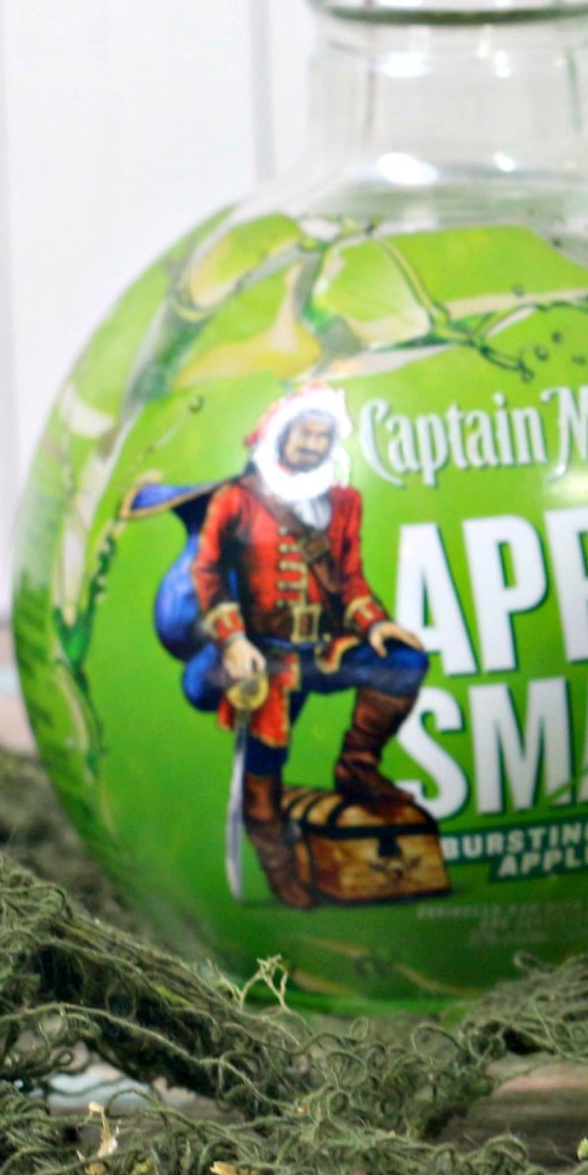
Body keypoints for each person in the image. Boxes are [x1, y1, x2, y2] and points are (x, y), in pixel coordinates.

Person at [184, 384, 428, 908]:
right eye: (304, 433)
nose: (313, 443)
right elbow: (206, 572)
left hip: (325, 650)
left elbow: (352, 581)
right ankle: (279, 867)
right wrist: (233, 642)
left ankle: (357, 767)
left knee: (405, 662)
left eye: (323, 434)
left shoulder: (344, 503)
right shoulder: (237, 499)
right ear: (280, 435)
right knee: (265, 766)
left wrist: (375, 624)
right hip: (265, 659)